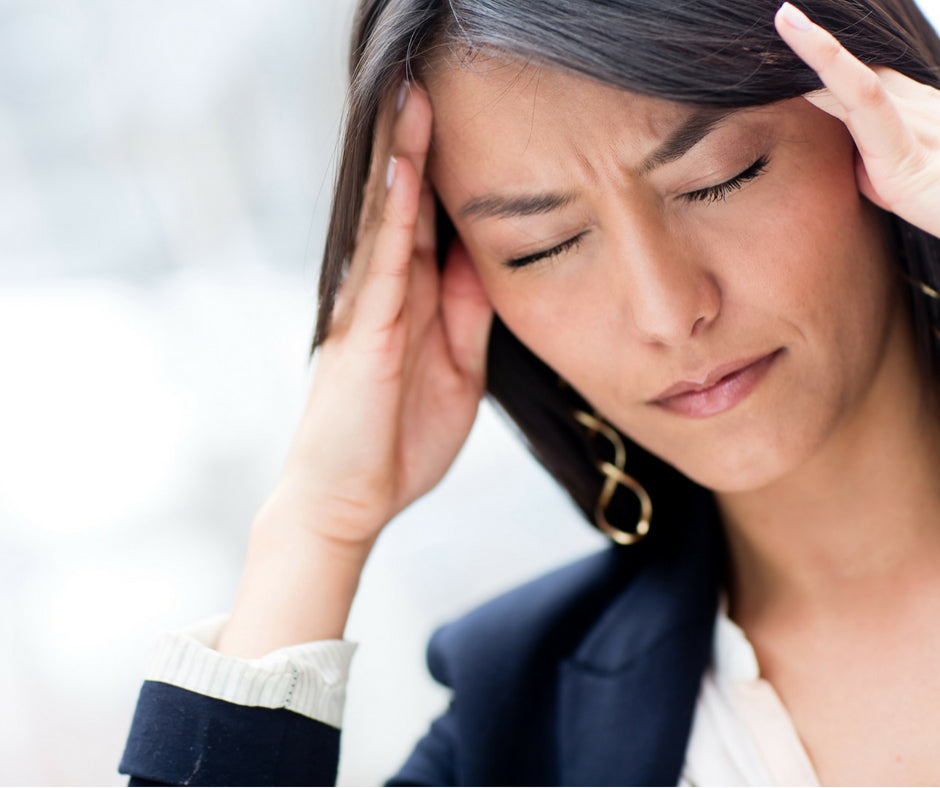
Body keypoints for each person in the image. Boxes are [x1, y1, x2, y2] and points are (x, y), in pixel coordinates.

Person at [120, 0, 940, 784]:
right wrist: (318, 521)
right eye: (543, 246)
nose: (667, 311)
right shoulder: (520, 725)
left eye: (717, 179)